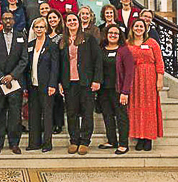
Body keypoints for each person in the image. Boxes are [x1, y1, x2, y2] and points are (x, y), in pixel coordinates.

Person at [59, 12, 103, 155]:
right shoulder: (62, 40)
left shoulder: (88, 39)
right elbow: (60, 64)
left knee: (86, 112)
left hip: (86, 82)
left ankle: (84, 141)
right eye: (69, 20)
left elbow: (97, 60)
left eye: (74, 20)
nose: (72, 22)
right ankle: (74, 140)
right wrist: (59, 82)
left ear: (78, 22)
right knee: (71, 113)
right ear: (65, 23)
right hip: (69, 82)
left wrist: (96, 80)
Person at [0, 12, 28, 155]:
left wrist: (12, 76)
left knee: (15, 114)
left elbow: (24, 60)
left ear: (14, 20)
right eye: (5, 19)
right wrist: (2, 77)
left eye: (10, 18)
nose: (8, 21)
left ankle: (14, 143)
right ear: (1, 21)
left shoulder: (21, 37)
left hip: (15, 82)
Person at [127, 19, 164, 151]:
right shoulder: (127, 43)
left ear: (145, 28)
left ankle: (148, 138)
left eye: (141, 26)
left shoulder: (152, 43)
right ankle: (139, 137)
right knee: (136, 108)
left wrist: (159, 79)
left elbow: (159, 62)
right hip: (133, 79)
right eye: (136, 26)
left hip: (149, 78)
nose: (138, 28)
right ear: (132, 28)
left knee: (149, 108)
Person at [98, 25, 134, 155]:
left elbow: (129, 72)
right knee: (107, 115)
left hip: (118, 89)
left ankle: (123, 144)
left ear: (120, 36)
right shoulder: (101, 49)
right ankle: (111, 140)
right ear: (106, 34)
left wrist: (125, 92)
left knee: (121, 116)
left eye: (116, 33)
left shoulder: (124, 51)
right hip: (103, 89)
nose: (113, 35)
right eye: (111, 33)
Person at [26, 18, 59, 152]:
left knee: (47, 114)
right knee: (33, 114)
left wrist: (52, 84)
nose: (39, 29)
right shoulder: (30, 44)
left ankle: (47, 144)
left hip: (46, 85)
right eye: (36, 27)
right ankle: (34, 143)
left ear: (46, 29)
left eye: (41, 27)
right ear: (33, 29)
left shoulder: (51, 45)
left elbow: (55, 67)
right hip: (33, 84)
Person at [46, 10, 65, 134]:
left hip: (60, 68)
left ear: (59, 19)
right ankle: (49, 123)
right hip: (46, 70)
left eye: (54, 17)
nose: (52, 20)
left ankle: (58, 124)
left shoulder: (63, 36)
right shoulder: (45, 35)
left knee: (58, 99)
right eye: (50, 18)